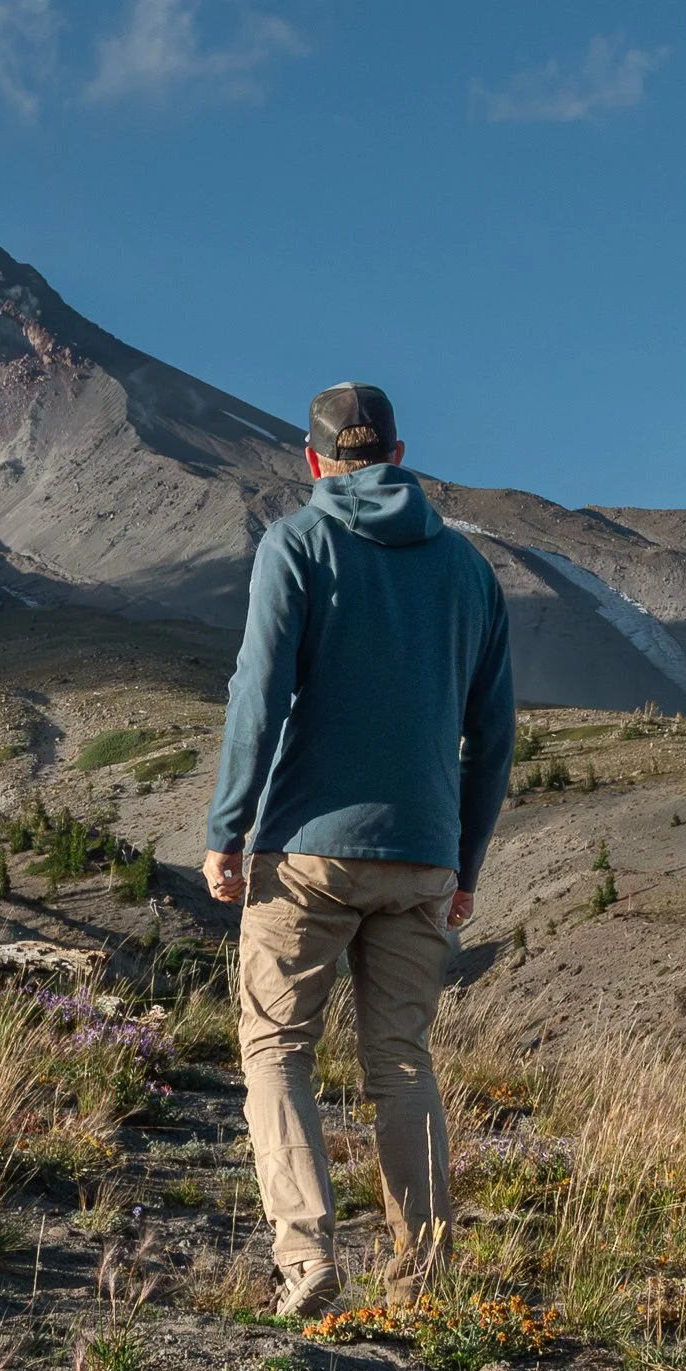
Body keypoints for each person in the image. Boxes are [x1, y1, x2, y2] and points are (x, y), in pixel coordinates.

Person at [201, 381, 516, 1317]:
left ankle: (306, 1260)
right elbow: (493, 736)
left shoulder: (298, 542)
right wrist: (466, 860)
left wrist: (228, 827)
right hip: (425, 856)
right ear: (399, 455)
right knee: (403, 1064)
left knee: (276, 1048)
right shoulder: (468, 572)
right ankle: (425, 1277)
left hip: (308, 850)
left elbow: (257, 694)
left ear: (313, 461)